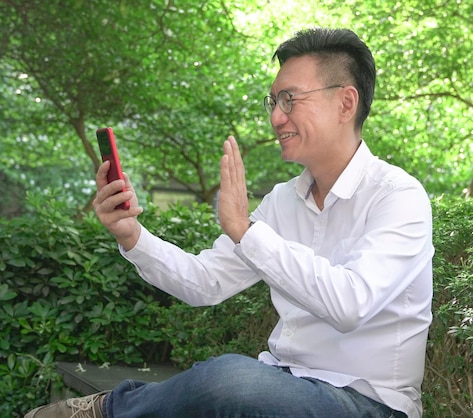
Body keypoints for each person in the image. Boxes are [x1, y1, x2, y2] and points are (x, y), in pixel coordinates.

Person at [25, 27, 433, 418]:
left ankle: (108, 410)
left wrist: (246, 231)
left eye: (289, 99)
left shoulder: (398, 196)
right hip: (280, 384)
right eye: (272, 101)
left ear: (346, 103)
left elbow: (350, 305)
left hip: (367, 403)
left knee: (227, 380)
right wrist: (132, 235)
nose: (276, 118)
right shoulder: (282, 201)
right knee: (229, 381)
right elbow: (205, 282)